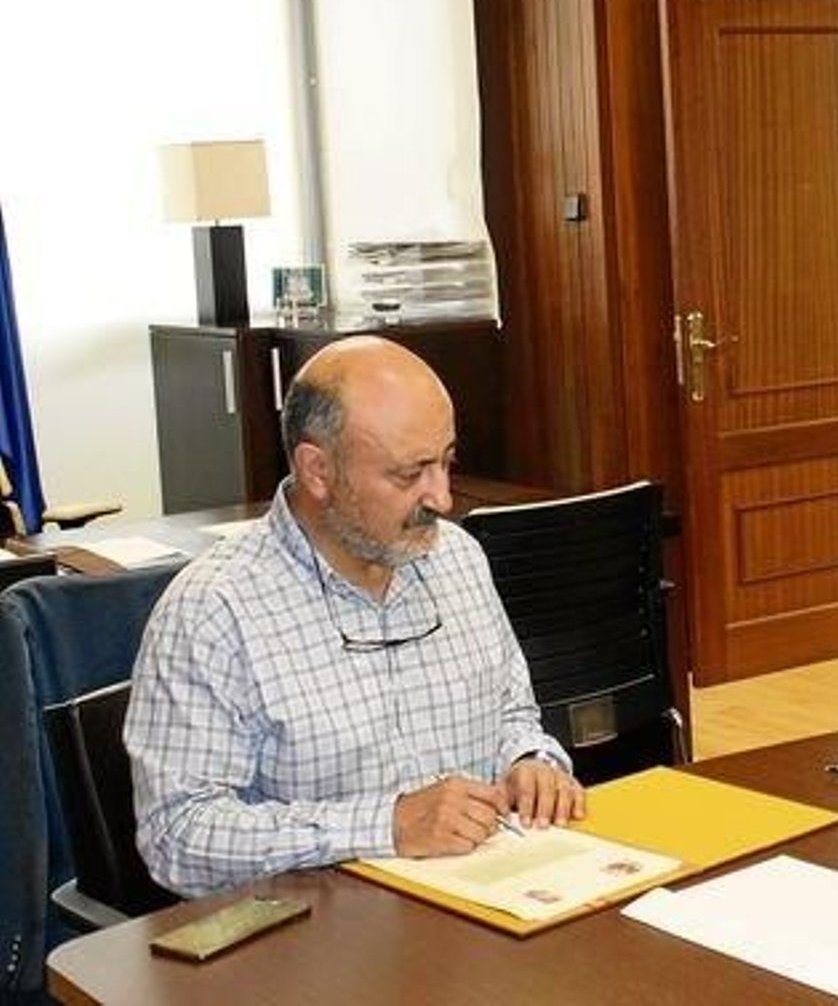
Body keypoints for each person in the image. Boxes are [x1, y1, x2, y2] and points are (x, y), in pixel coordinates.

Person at [126, 336, 584, 896]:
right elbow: (178, 837)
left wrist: (531, 761)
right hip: (321, 940)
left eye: (446, 462)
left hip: (487, 901)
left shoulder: (458, 558)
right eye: (408, 474)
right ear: (318, 471)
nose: (441, 498)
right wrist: (385, 826)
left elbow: (512, 712)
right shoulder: (213, 610)